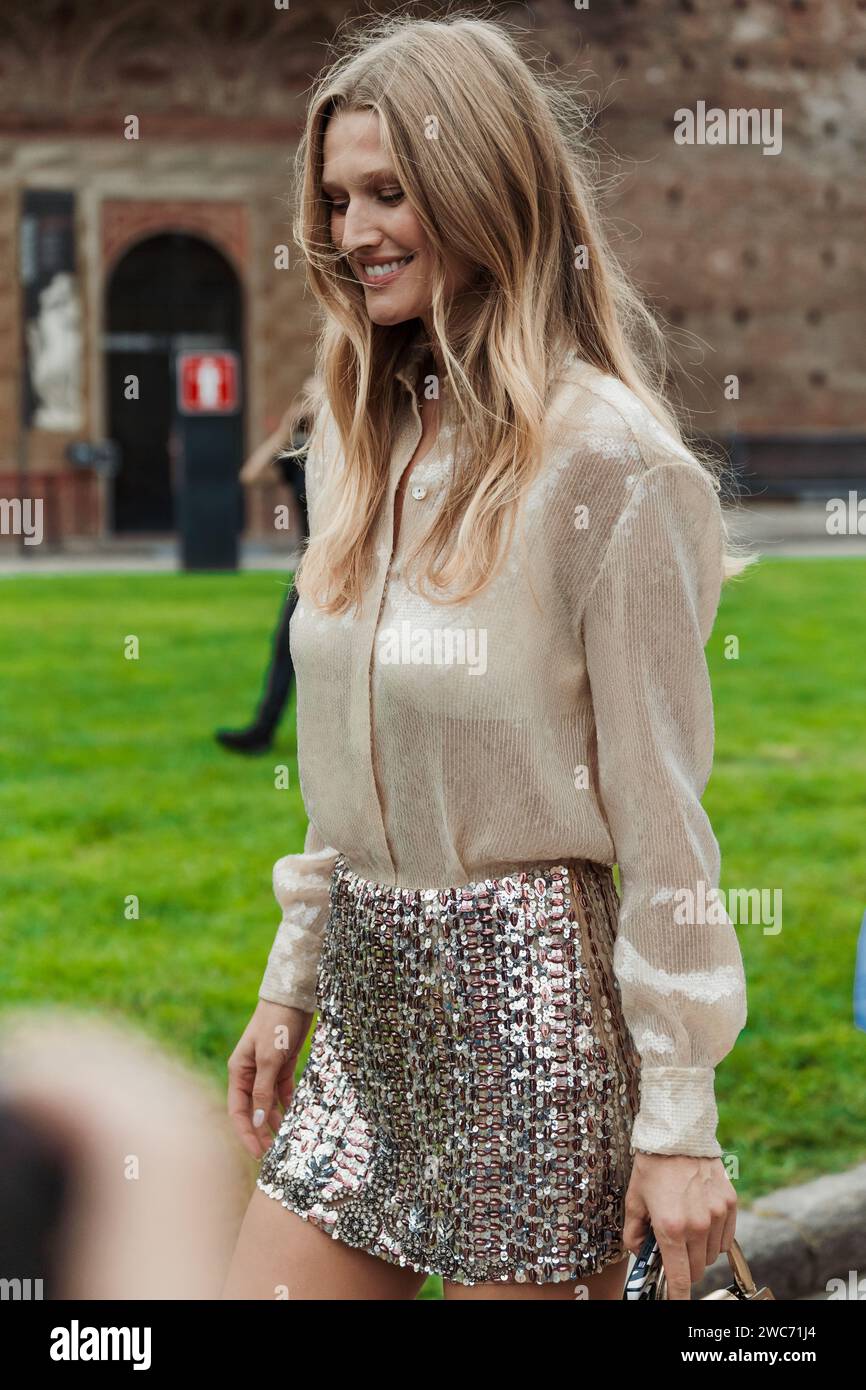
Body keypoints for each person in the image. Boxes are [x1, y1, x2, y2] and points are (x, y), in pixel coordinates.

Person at [221, 14, 757, 1302]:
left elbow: (663, 816)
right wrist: (292, 977)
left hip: (532, 1028)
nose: (353, 233)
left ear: (482, 187)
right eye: (338, 199)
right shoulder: (356, 433)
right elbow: (346, 749)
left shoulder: (609, 462)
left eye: (390, 193)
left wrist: (676, 1120)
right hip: (365, 1009)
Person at [215, 380, 316, 754]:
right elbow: (251, 475)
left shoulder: (356, 450)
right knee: (285, 646)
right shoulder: (300, 456)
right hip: (310, 566)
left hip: (351, 566)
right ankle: (262, 732)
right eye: (305, 397)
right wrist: (286, 428)